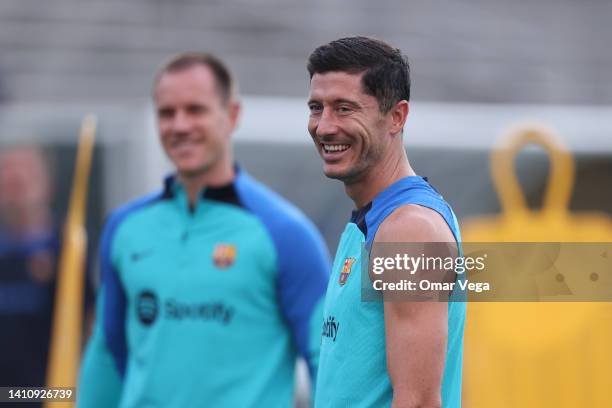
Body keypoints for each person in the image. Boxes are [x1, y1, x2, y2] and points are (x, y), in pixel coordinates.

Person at [78, 53, 330, 407]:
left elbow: (327, 359)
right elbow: (107, 353)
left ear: (233, 115)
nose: (180, 125)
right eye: (167, 113)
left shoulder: (286, 234)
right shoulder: (125, 228)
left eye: (195, 110)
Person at [306, 37, 465, 407]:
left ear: (397, 116)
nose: (325, 127)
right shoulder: (376, 218)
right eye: (317, 107)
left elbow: (420, 401)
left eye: (344, 109)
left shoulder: (409, 229)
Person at [0, 146, 93, 405]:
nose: (14, 188)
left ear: (46, 186)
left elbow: (89, 327)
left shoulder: (69, 250)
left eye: (24, 179)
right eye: (7, 180)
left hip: (52, 395)